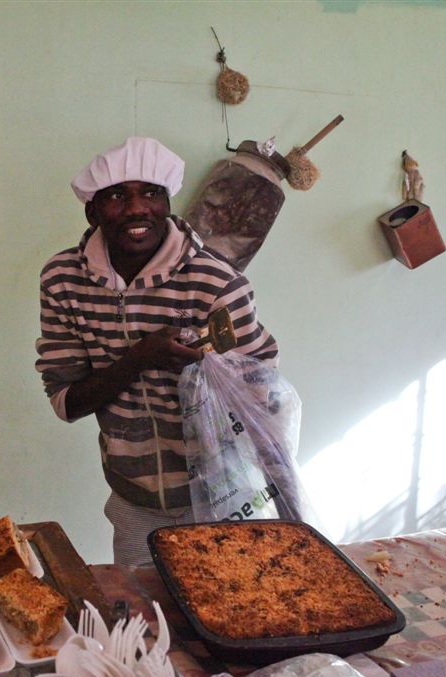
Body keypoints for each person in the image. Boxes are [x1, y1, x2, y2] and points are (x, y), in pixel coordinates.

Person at [35, 137, 278, 566]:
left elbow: (262, 402)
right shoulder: (63, 280)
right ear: (91, 210)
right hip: (135, 502)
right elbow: (66, 402)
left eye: (151, 193)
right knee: (146, 622)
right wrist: (138, 358)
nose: (136, 209)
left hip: (223, 497)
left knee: (229, 614)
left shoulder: (217, 284)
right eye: (116, 196)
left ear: (167, 201)